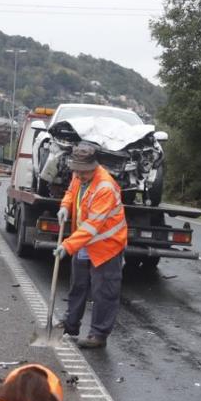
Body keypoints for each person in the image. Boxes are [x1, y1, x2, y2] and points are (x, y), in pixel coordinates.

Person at [55, 143, 127, 349]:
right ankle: (70, 324)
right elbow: (71, 191)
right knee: (77, 285)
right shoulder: (79, 176)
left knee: (104, 291)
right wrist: (64, 207)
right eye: (76, 171)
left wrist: (67, 245)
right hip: (84, 242)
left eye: (83, 172)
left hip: (106, 246)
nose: (78, 175)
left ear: (94, 167)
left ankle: (99, 334)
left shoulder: (105, 187)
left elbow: (93, 225)